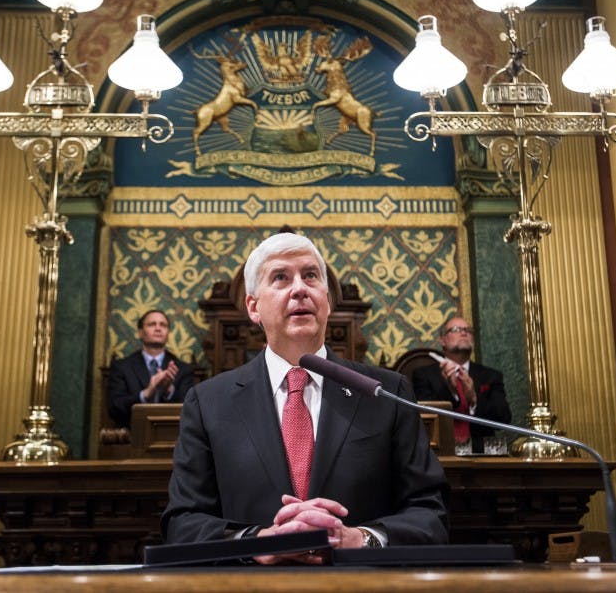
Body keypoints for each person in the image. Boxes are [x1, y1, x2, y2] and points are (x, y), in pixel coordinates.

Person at [162, 232, 448, 563]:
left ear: (326, 299)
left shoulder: (386, 392)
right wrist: (258, 542)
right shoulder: (208, 402)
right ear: (254, 307)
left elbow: (430, 512)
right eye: (280, 278)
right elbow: (182, 523)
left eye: (310, 276)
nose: (300, 288)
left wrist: (362, 539)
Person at [412, 316, 512, 454]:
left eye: (468, 330)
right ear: (443, 340)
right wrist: (452, 393)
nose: (464, 333)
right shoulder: (424, 375)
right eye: (456, 329)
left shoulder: (491, 376)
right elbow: (424, 421)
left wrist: (474, 399)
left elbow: (504, 418)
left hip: (482, 456)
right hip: (439, 455)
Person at [106, 310, 195, 427]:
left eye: (163, 325)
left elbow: (190, 412)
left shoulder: (183, 369)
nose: (158, 328)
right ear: (140, 332)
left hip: (170, 435)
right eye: (152, 324)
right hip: (132, 434)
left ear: (168, 333)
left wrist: (169, 391)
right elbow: (114, 408)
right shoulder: (122, 367)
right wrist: (145, 394)